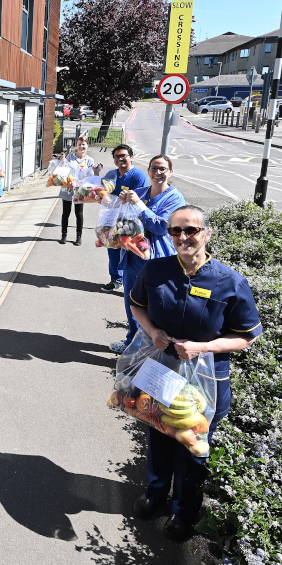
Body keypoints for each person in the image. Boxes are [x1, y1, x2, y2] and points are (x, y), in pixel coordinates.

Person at [129, 205, 263, 541]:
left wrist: (203, 347)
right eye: (176, 231)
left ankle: (184, 513)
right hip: (162, 371)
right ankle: (156, 495)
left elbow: (247, 336)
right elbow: (137, 305)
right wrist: (152, 331)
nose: (184, 237)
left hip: (206, 380)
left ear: (207, 233)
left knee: (192, 448)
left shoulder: (230, 282)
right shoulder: (155, 270)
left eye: (191, 230)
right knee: (159, 435)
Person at [109, 155, 185, 353]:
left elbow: (161, 227)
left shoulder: (175, 198)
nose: (158, 173)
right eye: (154, 169)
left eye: (162, 169)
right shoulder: (140, 192)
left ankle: (150, 350)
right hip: (133, 257)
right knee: (132, 303)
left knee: (154, 308)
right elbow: (124, 220)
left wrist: (139, 206)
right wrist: (121, 205)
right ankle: (131, 345)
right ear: (149, 170)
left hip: (157, 261)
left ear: (171, 172)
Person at [101, 144, 150, 292]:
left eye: (124, 156)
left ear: (131, 157)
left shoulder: (138, 176)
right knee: (113, 250)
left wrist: (122, 199)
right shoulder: (112, 174)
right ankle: (116, 280)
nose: (120, 159)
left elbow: (139, 200)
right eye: (117, 156)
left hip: (130, 222)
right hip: (112, 219)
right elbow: (102, 191)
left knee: (132, 252)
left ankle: (135, 286)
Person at [60, 136, 102, 246]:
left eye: (83, 144)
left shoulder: (89, 160)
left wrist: (96, 169)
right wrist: (63, 162)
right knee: (66, 213)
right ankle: (64, 235)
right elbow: (64, 171)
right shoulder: (70, 156)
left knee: (79, 213)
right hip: (68, 188)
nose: (81, 146)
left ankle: (79, 237)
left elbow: (91, 176)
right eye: (79, 144)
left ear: (87, 146)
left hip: (80, 190)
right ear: (76, 145)